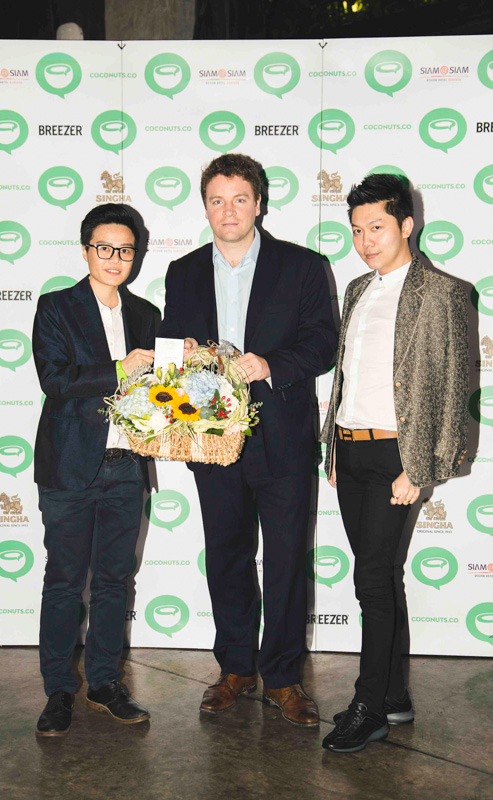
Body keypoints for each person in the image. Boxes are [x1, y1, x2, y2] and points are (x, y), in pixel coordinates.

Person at [159, 153, 337, 726]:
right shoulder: (183, 271)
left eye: (240, 199)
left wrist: (270, 365)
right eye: (217, 200)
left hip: (283, 437)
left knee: (285, 559)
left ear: (259, 203)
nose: (228, 211)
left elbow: (323, 343)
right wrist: (182, 356)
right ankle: (235, 667)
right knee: (227, 555)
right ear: (205, 207)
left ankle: (283, 677)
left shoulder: (303, 266)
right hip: (211, 438)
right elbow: (170, 344)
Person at [320, 174, 468, 753]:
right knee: (381, 577)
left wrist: (423, 468)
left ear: (407, 224)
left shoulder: (443, 292)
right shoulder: (357, 288)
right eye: (357, 230)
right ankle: (395, 694)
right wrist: (334, 446)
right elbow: (347, 376)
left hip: (397, 456)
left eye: (377, 227)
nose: (365, 241)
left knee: (371, 582)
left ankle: (369, 706)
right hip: (350, 448)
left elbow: (453, 390)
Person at [33, 203, 160, 736]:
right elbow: (55, 380)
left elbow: (160, 390)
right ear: (86, 250)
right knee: (65, 582)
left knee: (114, 581)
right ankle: (59, 689)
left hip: (127, 468)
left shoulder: (147, 314)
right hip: (69, 468)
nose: (115, 258)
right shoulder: (56, 307)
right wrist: (118, 369)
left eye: (125, 250)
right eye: (104, 247)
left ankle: (105, 682)